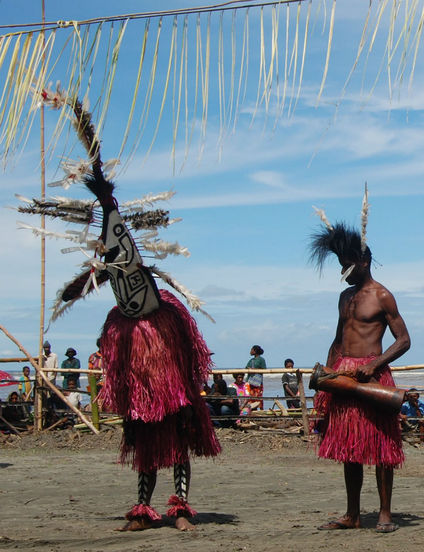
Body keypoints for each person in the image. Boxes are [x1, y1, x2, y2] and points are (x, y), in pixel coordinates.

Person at [19, 94, 220, 531]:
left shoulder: (169, 312)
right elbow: (111, 350)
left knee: (179, 439)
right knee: (145, 442)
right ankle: (144, 509)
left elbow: (190, 352)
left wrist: (188, 391)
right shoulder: (116, 318)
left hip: (173, 385)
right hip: (141, 388)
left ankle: (181, 506)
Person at [309, 203, 410, 533]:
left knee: (382, 445)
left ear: (364, 260)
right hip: (343, 376)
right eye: (341, 266)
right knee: (348, 446)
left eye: (348, 264)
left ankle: (385, 513)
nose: (345, 271)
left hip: (373, 377)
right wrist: (327, 373)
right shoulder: (344, 298)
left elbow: (403, 340)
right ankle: (352, 514)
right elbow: (338, 339)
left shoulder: (382, 296)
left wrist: (374, 365)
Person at [244, 345, 267, 413]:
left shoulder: (261, 359)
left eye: (251, 350)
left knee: (258, 398)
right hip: (250, 382)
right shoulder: (251, 360)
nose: (250, 351)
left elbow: (264, 369)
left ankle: (261, 413)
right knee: (250, 398)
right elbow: (246, 367)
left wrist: (255, 370)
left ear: (255, 351)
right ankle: (252, 412)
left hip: (258, 382)